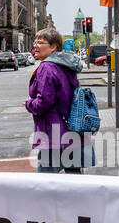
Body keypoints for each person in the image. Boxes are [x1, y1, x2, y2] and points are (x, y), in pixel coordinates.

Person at [25, 26, 86, 173]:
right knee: (75, 183)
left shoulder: (47, 67)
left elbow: (44, 101)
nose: (35, 45)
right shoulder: (66, 66)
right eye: (35, 42)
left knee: (46, 184)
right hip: (72, 131)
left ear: (53, 47)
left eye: (40, 42)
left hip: (53, 134)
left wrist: (29, 104)